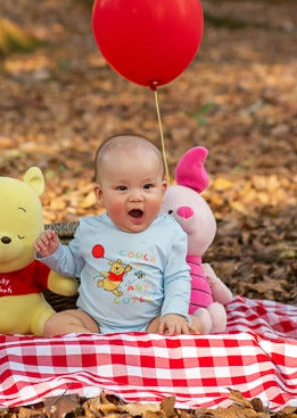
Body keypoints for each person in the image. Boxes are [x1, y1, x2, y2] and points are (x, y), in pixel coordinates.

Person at [34, 133, 193, 336]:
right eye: (122, 188)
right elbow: (72, 266)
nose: (136, 196)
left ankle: (131, 348)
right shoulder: (90, 230)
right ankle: (94, 347)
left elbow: (177, 276)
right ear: (101, 195)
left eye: (147, 186)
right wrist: (53, 252)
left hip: (150, 324)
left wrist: (174, 313)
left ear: (162, 190)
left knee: (188, 326)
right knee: (55, 324)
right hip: (94, 322)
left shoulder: (169, 232)